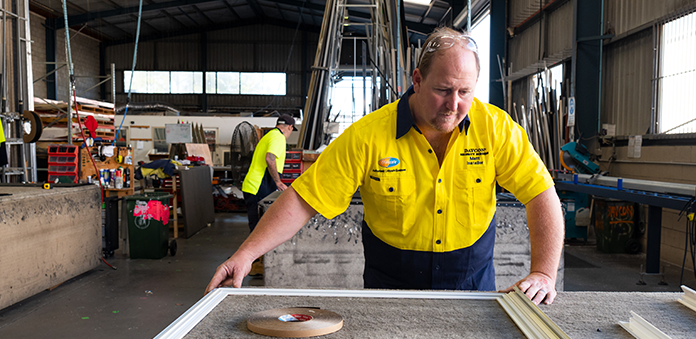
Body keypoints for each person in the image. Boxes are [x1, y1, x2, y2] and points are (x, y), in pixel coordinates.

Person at [206, 27, 564, 305]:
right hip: (390, 283)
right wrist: (245, 253)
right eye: (443, 90)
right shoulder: (368, 135)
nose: (454, 105)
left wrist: (544, 273)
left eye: (465, 92)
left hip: (470, 281)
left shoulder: (497, 130)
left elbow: (540, 194)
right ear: (417, 79)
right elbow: (303, 199)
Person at [241, 114, 297, 231]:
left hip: (254, 186)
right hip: (258, 187)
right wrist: (278, 182)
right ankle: (256, 249)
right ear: (290, 127)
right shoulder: (278, 137)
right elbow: (269, 158)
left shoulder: (269, 135)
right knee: (259, 228)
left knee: (257, 226)